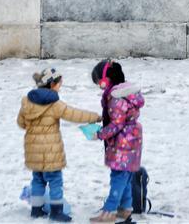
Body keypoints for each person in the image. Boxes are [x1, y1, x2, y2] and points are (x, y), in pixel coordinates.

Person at [17, 65, 100, 221]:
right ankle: (56, 211)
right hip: (51, 152)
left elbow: (21, 123)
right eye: (59, 84)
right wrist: (95, 117)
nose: (60, 87)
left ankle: (36, 209)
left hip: (33, 151)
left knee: (38, 179)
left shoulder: (27, 102)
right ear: (52, 84)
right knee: (55, 181)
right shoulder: (54, 103)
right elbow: (75, 114)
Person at [90, 60, 144, 224]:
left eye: (99, 82)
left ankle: (110, 211)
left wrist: (99, 134)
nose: (100, 85)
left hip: (123, 142)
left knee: (118, 177)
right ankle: (125, 208)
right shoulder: (126, 94)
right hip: (132, 140)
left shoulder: (116, 98)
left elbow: (116, 124)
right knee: (125, 176)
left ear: (105, 80)